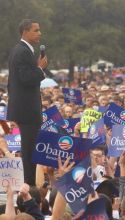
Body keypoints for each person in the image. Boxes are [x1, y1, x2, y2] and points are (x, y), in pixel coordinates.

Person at [7, 19, 48, 186]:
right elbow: (25, 78)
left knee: (30, 146)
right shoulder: (22, 52)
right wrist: (40, 69)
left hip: (24, 109)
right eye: (36, 30)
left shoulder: (23, 50)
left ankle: (29, 182)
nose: (40, 33)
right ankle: (29, 185)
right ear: (25, 32)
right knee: (30, 148)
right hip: (27, 110)